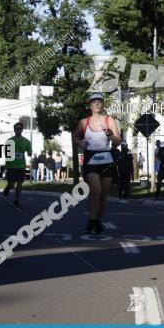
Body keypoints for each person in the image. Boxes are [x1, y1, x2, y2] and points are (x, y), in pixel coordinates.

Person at [72, 93, 121, 233]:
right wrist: (80, 142)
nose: (97, 104)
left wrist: (110, 134)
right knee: (95, 191)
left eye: (100, 101)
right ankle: (92, 219)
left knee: (104, 194)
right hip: (91, 158)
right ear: (90, 105)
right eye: (94, 102)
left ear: (103, 105)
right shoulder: (84, 122)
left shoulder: (109, 120)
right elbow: (75, 136)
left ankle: (98, 219)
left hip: (106, 158)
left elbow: (117, 141)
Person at [2, 122, 32, 207]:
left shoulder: (26, 141)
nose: (18, 130)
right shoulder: (10, 140)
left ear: (22, 130)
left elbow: (29, 153)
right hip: (11, 165)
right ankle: (8, 188)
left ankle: (16, 199)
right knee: (11, 184)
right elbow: (6, 153)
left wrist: (29, 152)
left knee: (19, 184)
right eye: (16, 129)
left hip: (21, 166)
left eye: (19, 129)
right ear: (14, 130)